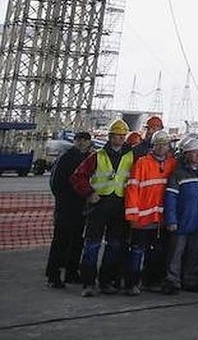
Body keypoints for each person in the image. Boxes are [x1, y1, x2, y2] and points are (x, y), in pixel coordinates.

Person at [70, 119, 134, 296]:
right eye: (116, 135)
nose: (119, 139)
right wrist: (89, 193)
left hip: (119, 206)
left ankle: (106, 282)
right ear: (110, 136)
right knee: (92, 245)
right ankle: (88, 284)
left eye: (122, 136)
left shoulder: (131, 156)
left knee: (114, 246)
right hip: (99, 205)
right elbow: (78, 177)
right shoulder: (97, 156)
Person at [123, 131, 176, 295]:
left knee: (157, 252)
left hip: (161, 220)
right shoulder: (142, 163)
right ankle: (131, 283)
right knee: (137, 252)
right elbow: (132, 188)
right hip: (142, 219)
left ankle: (151, 282)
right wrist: (132, 215)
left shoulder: (172, 164)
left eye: (164, 144)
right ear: (153, 146)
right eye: (158, 144)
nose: (161, 148)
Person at [162, 136, 198, 294]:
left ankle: (190, 280)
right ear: (186, 154)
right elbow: (171, 198)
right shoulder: (178, 174)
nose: (197, 156)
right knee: (176, 253)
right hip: (182, 220)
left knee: (195, 252)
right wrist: (171, 219)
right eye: (193, 153)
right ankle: (172, 281)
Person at [45, 131, 91, 288]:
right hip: (66, 207)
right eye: (79, 140)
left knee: (77, 241)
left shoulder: (89, 158)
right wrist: (63, 200)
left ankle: (72, 272)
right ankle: (54, 275)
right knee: (61, 241)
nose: (82, 143)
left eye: (85, 140)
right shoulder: (66, 158)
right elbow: (56, 183)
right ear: (75, 141)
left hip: (81, 207)